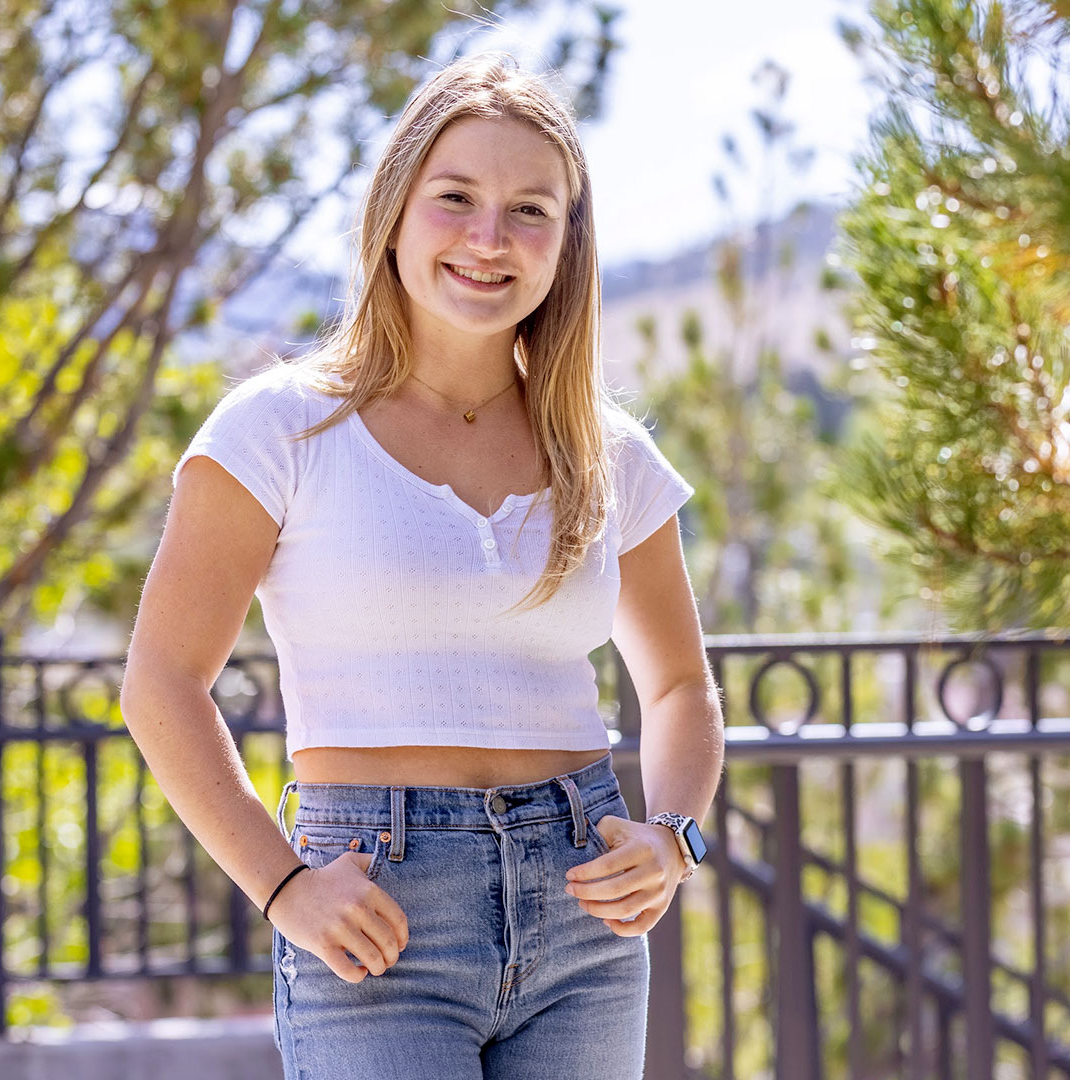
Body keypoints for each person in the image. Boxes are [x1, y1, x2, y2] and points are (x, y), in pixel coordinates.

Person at [118, 52, 725, 1079]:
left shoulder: (609, 452)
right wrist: (284, 887)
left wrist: (674, 838)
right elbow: (161, 686)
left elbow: (676, 686)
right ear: (396, 212)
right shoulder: (279, 430)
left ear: (567, 244)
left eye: (531, 211)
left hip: (585, 912)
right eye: (457, 199)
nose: (491, 240)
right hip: (378, 911)